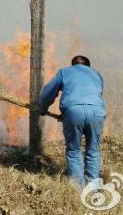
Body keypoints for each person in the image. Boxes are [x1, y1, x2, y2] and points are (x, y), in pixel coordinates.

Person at [38, 55, 105, 187]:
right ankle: (93, 189)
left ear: (73, 64)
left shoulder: (65, 72)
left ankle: (77, 188)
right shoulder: (97, 75)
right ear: (88, 66)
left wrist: (43, 108)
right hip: (96, 112)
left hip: (73, 111)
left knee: (74, 150)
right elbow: (96, 94)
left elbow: (48, 93)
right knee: (93, 150)